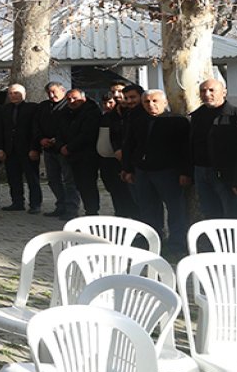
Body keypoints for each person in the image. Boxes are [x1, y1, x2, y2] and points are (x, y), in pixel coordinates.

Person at [122, 90, 191, 256]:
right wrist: (128, 169)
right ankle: (154, 243)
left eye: (155, 101)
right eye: (147, 102)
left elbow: (186, 149)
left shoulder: (178, 121)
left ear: (165, 102)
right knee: (148, 210)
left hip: (168, 172)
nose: (151, 105)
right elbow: (129, 145)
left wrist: (185, 172)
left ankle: (177, 246)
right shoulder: (138, 120)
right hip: (142, 172)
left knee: (175, 209)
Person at [190, 78, 237, 220]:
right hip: (201, 172)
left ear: (224, 92)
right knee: (210, 215)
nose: (207, 94)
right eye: (203, 91)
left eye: (212, 90)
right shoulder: (196, 116)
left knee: (234, 216)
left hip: (228, 175)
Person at [32, 81, 78, 219]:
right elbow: (36, 125)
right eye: (49, 93)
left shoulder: (69, 105)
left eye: (54, 92)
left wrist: (57, 140)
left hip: (63, 149)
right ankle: (61, 204)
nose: (52, 95)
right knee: (53, 180)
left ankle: (71, 208)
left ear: (62, 90)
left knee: (69, 181)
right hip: (48, 149)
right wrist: (41, 139)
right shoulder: (43, 106)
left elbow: (71, 127)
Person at [98, 84, 141, 220]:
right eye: (113, 92)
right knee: (116, 190)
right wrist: (117, 149)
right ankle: (121, 216)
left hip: (134, 160)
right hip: (113, 159)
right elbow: (113, 135)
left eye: (120, 91)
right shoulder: (112, 114)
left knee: (135, 194)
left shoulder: (137, 112)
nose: (116, 95)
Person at [0, 84, 41, 213]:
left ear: (24, 94)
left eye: (16, 93)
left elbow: (36, 130)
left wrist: (35, 148)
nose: (13, 96)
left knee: (32, 179)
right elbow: (0, 130)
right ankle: (17, 202)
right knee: (13, 178)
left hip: (28, 150)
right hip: (10, 150)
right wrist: (0, 148)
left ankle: (35, 204)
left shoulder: (32, 108)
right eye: (10, 93)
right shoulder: (5, 109)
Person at [59, 89, 103, 217]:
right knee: (77, 184)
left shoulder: (92, 112)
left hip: (86, 154)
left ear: (83, 98)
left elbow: (88, 134)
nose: (72, 101)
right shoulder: (65, 112)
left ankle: (92, 211)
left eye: (75, 98)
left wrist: (70, 147)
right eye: (69, 99)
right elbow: (60, 130)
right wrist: (61, 146)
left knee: (88, 184)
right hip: (71, 154)